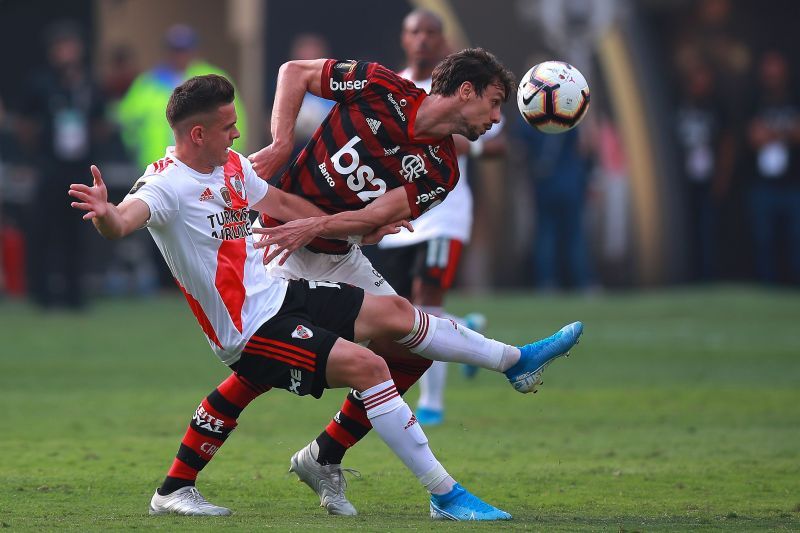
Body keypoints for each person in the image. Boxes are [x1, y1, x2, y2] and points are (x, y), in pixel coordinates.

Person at [68, 74, 582, 520]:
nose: (239, 133)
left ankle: (512, 361)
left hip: (282, 292)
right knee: (371, 368)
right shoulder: (164, 185)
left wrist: (360, 226)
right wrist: (106, 214)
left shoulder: (231, 167)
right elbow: (124, 221)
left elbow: (287, 202)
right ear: (198, 133)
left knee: (399, 317)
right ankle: (445, 494)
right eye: (229, 127)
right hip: (250, 330)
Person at [248, 48, 583, 515]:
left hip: (335, 253)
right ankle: (177, 487)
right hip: (278, 247)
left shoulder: (442, 170)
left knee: (409, 343)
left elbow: (372, 216)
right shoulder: (380, 86)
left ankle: (351, 462)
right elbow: (294, 72)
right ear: (466, 90)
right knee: (246, 380)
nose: (496, 117)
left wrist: (335, 226)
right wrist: (282, 143)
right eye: (495, 102)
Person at [367, 9, 506, 426]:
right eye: (416, 32)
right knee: (403, 313)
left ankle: (432, 404)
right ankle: (467, 330)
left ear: (442, 39)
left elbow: (500, 146)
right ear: (404, 39)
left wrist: (467, 148)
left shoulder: (467, 93)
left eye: (431, 32)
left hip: (445, 214)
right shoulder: (397, 87)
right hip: (401, 216)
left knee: (427, 307)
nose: (423, 39)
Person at [16, 20, 107, 309]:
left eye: (71, 47)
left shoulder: (89, 84)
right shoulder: (41, 83)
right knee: (44, 229)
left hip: (80, 167)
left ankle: (74, 295)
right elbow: (25, 123)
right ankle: (42, 294)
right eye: (61, 48)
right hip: (50, 167)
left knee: (77, 231)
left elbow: (101, 122)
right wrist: (35, 155)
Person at [117, 24, 247, 170]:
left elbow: (234, 118)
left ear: (194, 51)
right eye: (175, 50)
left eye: (184, 50)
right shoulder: (148, 82)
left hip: (204, 165)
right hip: (158, 165)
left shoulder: (211, 79)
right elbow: (126, 121)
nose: (179, 55)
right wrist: (136, 151)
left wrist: (229, 155)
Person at [745, 50, 800, 284]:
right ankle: (767, 287)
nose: (772, 77)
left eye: (776, 71)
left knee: (795, 240)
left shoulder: (794, 97)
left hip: (793, 183)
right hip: (763, 184)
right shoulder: (755, 100)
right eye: (768, 72)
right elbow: (753, 136)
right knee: (764, 240)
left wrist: (773, 134)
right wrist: (785, 133)